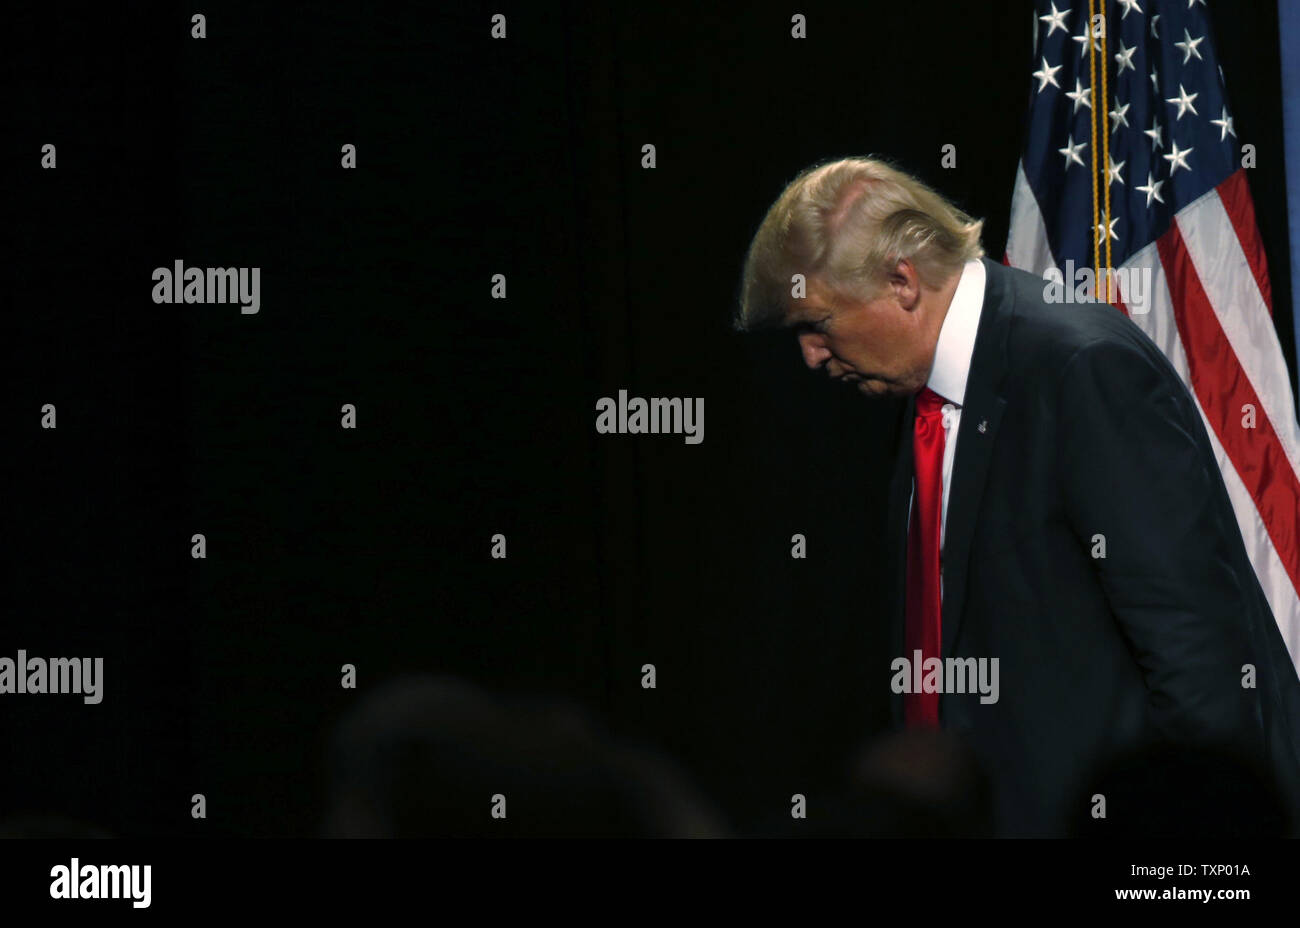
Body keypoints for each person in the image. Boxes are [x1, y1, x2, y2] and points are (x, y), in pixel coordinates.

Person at [734, 156, 1300, 836]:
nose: (811, 355)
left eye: (815, 322)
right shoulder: (920, 404)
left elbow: (1199, 653)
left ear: (901, 281)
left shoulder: (1078, 368)